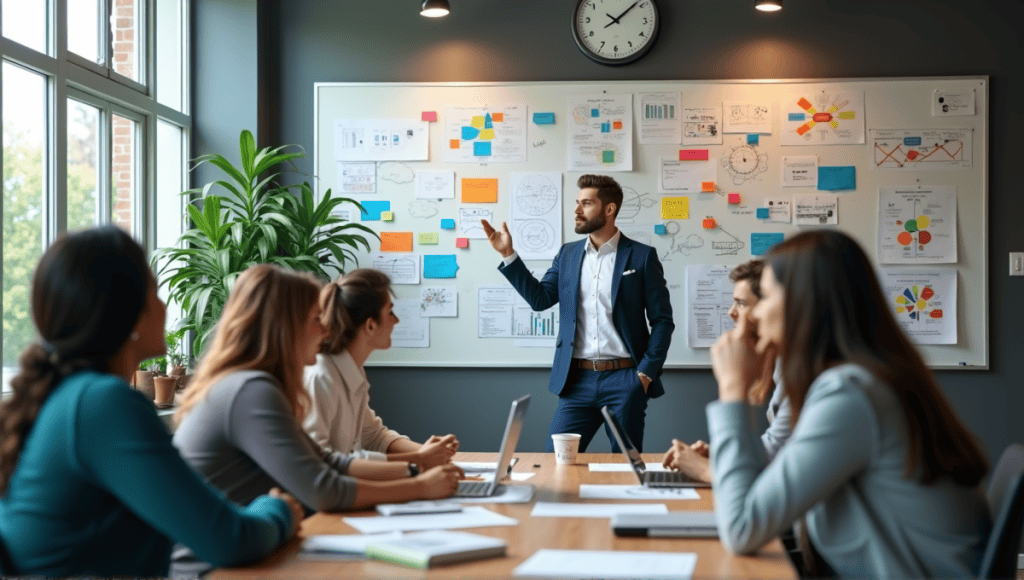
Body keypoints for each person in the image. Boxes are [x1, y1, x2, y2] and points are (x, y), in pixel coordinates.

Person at [0, 227, 302, 577]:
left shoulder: (68, 397)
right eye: (155, 291)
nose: (164, 305)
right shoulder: (101, 405)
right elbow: (228, 539)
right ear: (130, 311)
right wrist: (278, 510)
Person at [707, 230, 991, 578]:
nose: (750, 315)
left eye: (763, 297)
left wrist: (734, 389)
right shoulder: (866, 378)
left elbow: (741, 529)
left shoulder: (851, 394)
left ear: (801, 303)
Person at [173, 264, 464, 518]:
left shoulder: (252, 386)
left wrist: (416, 467)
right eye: (316, 320)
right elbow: (323, 489)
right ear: (287, 328)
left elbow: (328, 462)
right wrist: (420, 486)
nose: (326, 331)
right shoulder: (251, 392)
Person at [482, 174, 674, 453]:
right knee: (555, 460)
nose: (576, 210)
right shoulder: (568, 255)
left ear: (609, 209)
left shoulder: (641, 257)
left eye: (586, 203)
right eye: (577, 202)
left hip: (625, 379)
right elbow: (540, 299)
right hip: (577, 381)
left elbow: (662, 321)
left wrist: (644, 374)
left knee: (625, 465)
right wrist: (508, 254)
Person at [304, 268, 459, 470]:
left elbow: (375, 436)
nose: (396, 320)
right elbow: (319, 462)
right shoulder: (322, 376)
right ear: (370, 326)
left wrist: (426, 453)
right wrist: (418, 459)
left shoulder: (351, 370)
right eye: (390, 312)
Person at [662, 259, 793, 483]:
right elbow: (778, 452)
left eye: (742, 303)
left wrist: (704, 469)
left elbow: (774, 475)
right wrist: (719, 454)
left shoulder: (828, 384)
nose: (732, 313)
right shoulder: (788, 367)